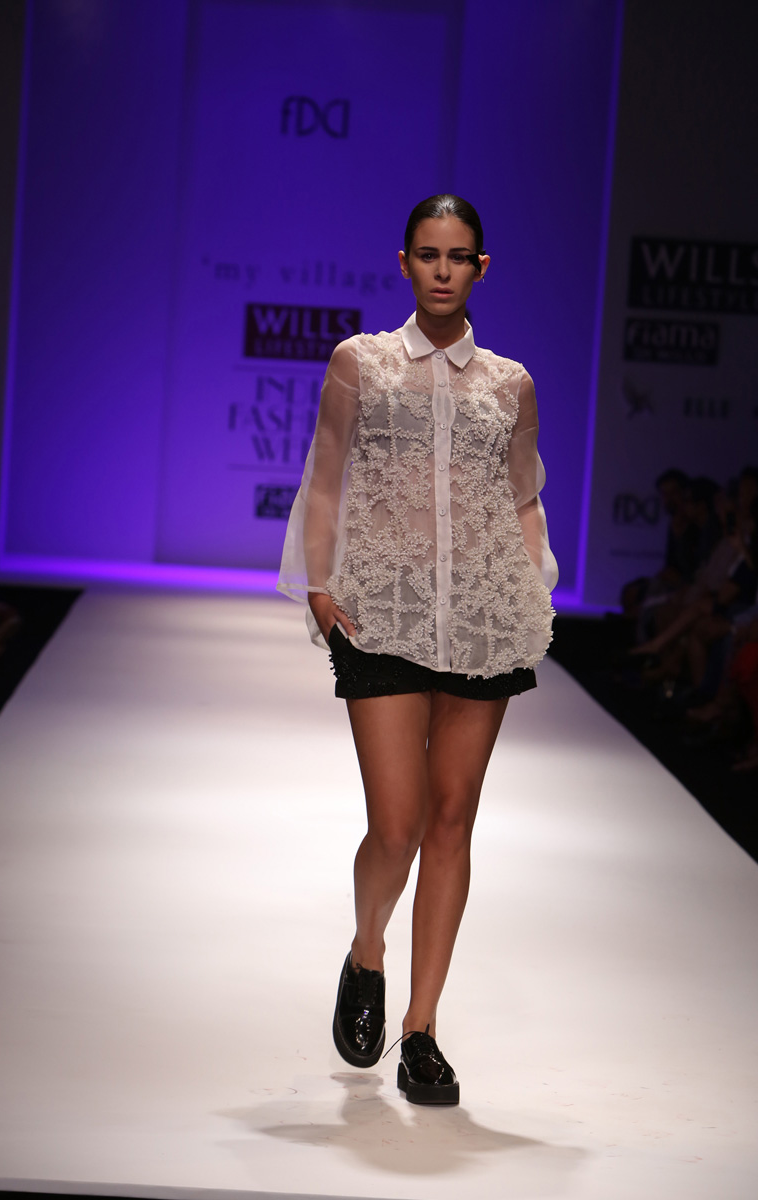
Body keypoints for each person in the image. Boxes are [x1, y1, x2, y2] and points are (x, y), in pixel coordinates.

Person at [277, 195, 558, 1106]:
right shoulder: (360, 362)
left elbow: (522, 497)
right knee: (396, 826)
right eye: (429, 255)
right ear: (404, 262)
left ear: (482, 266)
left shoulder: (510, 384)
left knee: (452, 820)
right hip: (384, 613)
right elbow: (326, 476)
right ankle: (368, 953)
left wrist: (533, 587)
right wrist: (320, 586)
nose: (443, 270)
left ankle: (422, 1029)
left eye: (459, 256)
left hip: (481, 619)